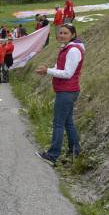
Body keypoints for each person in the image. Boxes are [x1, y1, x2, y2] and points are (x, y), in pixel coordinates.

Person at [35, 23, 84, 165]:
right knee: (68, 123)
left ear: (73, 35)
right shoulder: (66, 48)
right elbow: (60, 68)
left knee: (58, 123)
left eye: (65, 33)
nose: (62, 35)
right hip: (67, 91)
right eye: (60, 33)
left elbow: (68, 73)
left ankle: (52, 155)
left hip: (67, 91)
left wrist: (48, 71)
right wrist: (47, 69)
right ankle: (75, 152)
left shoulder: (73, 50)